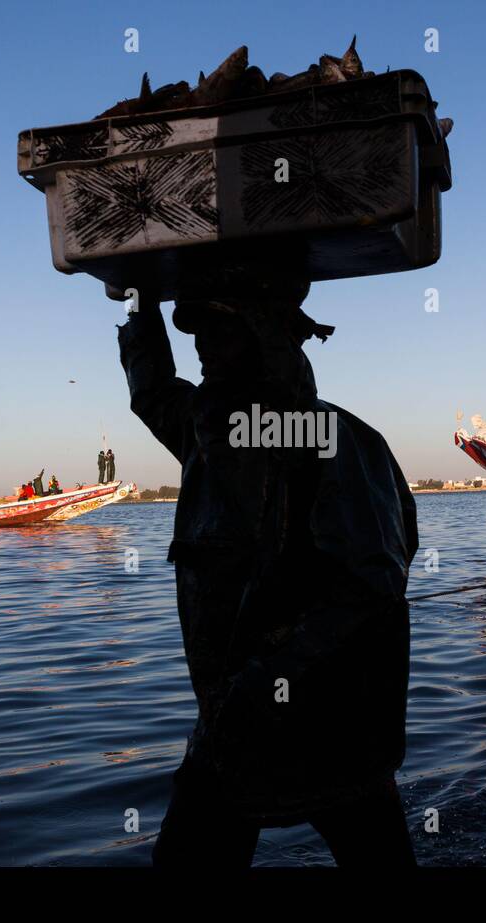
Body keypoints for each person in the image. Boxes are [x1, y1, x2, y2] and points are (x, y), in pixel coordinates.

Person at [116, 253, 418, 868]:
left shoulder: (332, 438)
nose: (201, 345)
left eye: (218, 329)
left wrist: (270, 673)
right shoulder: (210, 433)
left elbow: (371, 582)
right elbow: (152, 392)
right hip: (230, 726)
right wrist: (139, 303)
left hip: (330, 723)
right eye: (195, 332)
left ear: (261, 335)